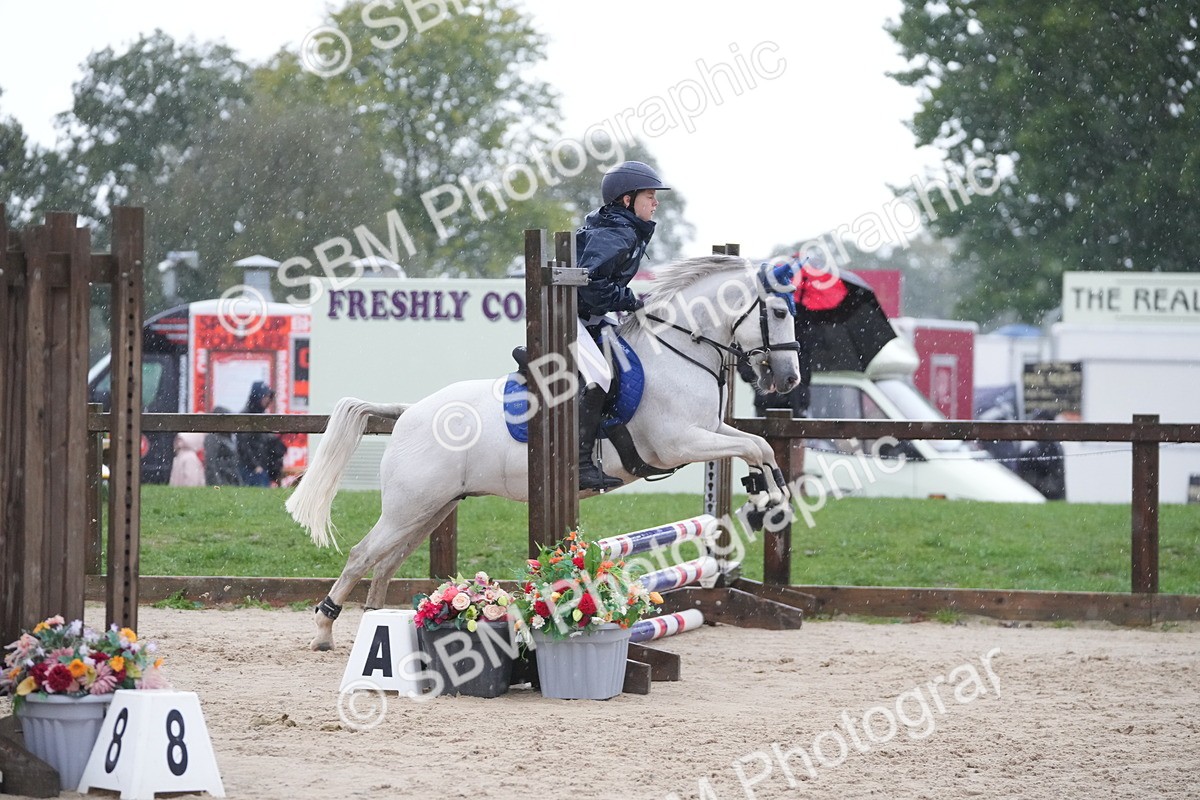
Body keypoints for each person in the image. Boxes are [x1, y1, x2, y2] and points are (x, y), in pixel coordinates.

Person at [571, 160, 670, 490]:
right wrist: (630, 300)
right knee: (599, 375)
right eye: (650, 196)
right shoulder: (619, 234)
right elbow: (590, 284)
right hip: (565, 319)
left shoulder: (622, 231)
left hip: (590, 320)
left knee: (627, 363)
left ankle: (626, 450)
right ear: (627, 200)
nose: (655, 203)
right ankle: (580, 464)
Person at [237, 382, 286, 487]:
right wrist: (255, 466)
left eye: (269, 396)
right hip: (251, 469)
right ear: (257, 397)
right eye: (265, 396)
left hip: (262, 468)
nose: (267, 399)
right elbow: (244, 445)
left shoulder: (262, 416)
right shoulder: (247, 416)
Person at [204, 406, 242, 486]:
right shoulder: (213, 438)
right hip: (222, 480)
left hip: (232, 480)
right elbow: (211, 464)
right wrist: (216, 485)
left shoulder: (230, 438)